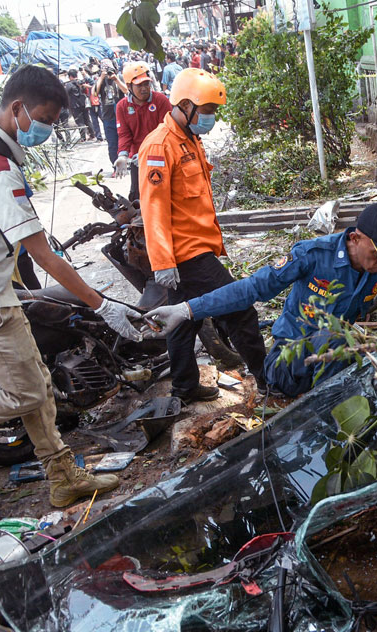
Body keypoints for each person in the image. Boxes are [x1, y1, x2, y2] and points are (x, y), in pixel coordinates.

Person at [0, 65, 144, 508]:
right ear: (17, 107)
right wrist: (101, 303)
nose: (48, 130)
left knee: (37, 382)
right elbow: (44, 256)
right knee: (28, 392)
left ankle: (62, 476)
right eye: (45, 119)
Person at [144, 202, 377, 398]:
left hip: (336, 361)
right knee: (340, 337)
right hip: (289, 364)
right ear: (355, 238)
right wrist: (187, 309)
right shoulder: (314, 255)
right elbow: (249, 289)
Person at [135, 68, 265, 402]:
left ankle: (185, 386)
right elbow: (153, 209)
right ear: (185, 105)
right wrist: (163, 262)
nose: (211, 118)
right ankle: (269, 378)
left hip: (197, 247)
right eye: (207, 111)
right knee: (239, 309)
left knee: (183, 321)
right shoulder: (159, 146)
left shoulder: (190, 138)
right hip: (186, 254)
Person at [114, 62, 170, 201]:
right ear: (129, 86)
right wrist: (122, 155)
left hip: (161, 156)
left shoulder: (160, 100)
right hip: (137, 159)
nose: (144, 88)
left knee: (163, 194)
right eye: (139, 85)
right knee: (137, 197)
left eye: (146, 84)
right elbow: (124, 134)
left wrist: (148, 153)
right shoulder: (122, 106)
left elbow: (166, 130)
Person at [96, 60, 126, 165]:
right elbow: (94, 93)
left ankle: (127, 163)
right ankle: (115, 165)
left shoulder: (119, 77)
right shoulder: (101, 81)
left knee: (124, 141)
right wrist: (101, 77)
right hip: (108, 117)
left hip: (121, 116)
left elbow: (127, 91)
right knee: (112, 144)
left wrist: (116, 79)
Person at [65, 68, 96, 141]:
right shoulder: (81, 82)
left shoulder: (69, 84)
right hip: (84, 104)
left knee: (79, 121)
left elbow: (65, 93)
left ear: (70, 76)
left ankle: (83, 138)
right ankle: (92, 135)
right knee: (87, 120)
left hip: (75, 105)